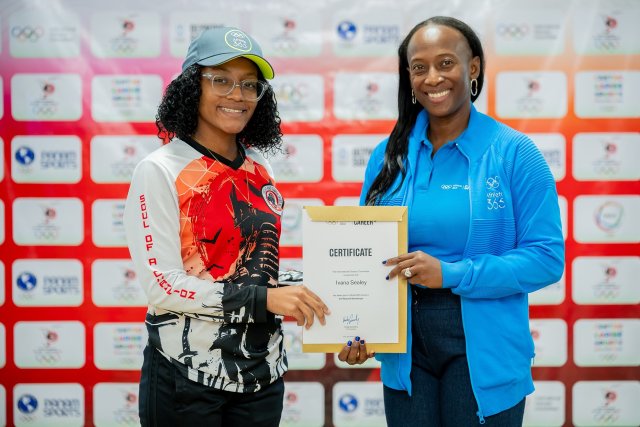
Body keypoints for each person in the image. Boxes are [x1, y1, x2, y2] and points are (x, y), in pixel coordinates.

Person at [338, 16, 564, 426]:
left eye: (446, 63)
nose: (432, 78)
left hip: (484, 347)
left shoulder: (514, 153)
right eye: (419, 67)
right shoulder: (388, 156)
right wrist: (359, 327)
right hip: (405, 345)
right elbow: (365, 253)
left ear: (473, 67)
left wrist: (452, 273)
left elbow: (546, 259)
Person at [123, 26, 330, 427]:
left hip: (262, 375)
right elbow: (162, 285)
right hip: (186, 377)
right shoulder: (159, 169)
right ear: (192, 86)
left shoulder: (259, 166)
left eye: (250, 85)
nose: (237, 95)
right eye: (221, 80)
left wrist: (322, 289)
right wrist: (265, 300)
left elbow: (253, 270)